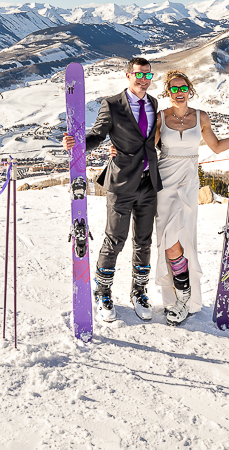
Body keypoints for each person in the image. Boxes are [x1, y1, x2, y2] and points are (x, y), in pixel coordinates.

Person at [63, 57, 162, 322]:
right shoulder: (112, 104)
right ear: (128, 76)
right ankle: (103, 292)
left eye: (147, 75)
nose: (143, 80)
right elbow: (98, 133)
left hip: (148, 182)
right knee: (114, 239)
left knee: (144, 241)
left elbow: (148, 140)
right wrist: (78, 142)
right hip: (121, 183)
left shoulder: (153, 103)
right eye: (139, 75)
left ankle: (138, 291)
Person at [154, 70, 229, 325]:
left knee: (184, 238)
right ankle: (180, 297)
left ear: (189, 89)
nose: (178, 92)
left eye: (182, 88)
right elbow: (146, 148)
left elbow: (216, 146)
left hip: (189, 181)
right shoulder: (160, 118)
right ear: (167, 92)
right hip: (164, 182)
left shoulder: (201, 117)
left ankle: (183, 297)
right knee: (169, 240)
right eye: (173, 89)